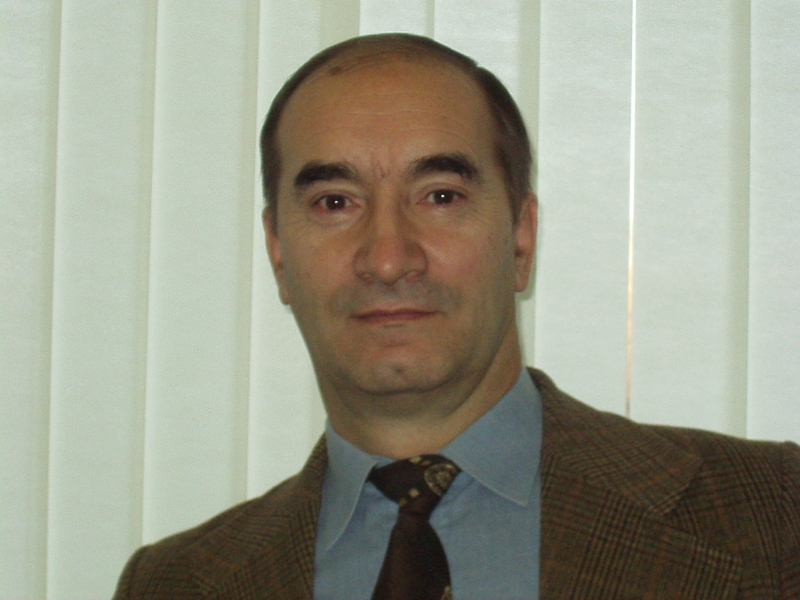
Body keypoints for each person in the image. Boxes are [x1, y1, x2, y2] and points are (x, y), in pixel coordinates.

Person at [113, 33, 800, 599]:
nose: (389, 259)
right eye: (334, 203)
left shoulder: (776, 515)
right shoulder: (173, 584)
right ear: (278, 254)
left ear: (521, 238)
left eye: (440, 196)